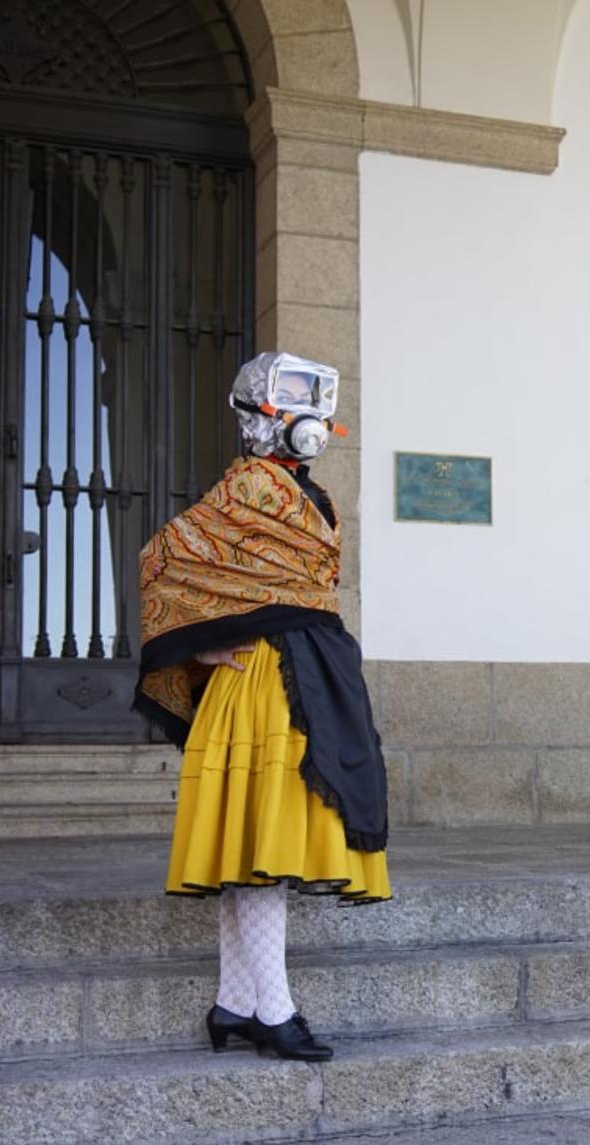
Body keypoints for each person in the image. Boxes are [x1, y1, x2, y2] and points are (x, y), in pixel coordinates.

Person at [132, 351, 389, 1063]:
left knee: (254, 850)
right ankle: (274, 1012)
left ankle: (234, 1004)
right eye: (296, 409)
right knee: (263, 853)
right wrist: (198, 648)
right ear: (261, 420)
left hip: (302, 674)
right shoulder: (248, 485)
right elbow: (165, 557)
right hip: (265, 683)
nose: (311, 424)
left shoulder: (303, 493)